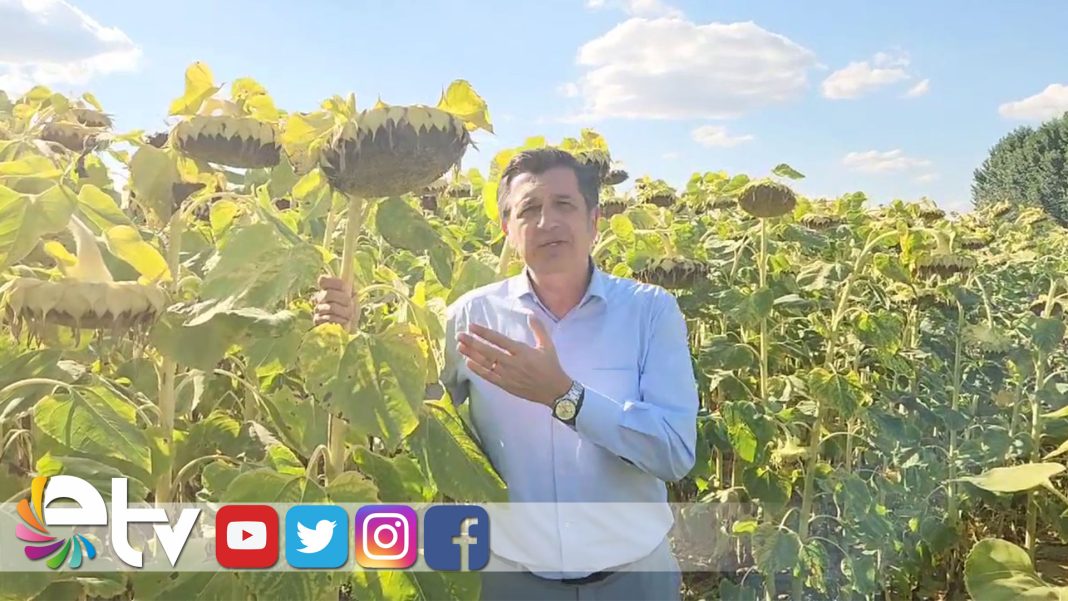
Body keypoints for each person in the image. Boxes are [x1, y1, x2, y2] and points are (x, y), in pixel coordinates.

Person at [313, 148, 699, 600]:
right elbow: (409, 413)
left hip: (634, 579)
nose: (546, 222)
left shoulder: (649, 312)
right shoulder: (470, 317)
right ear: (507, 230)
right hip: (512, 580)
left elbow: (674, 453)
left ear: (594, 220)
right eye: (529, 209)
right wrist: (352, 343)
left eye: (564, 205)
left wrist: (565, 396)